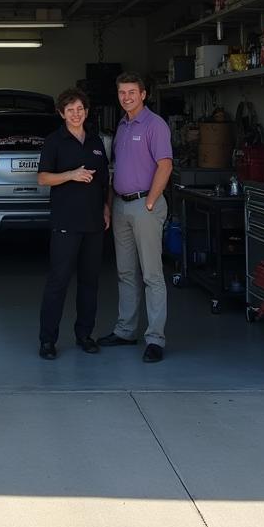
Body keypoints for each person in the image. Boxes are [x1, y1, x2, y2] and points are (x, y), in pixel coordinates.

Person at [99, 73, 173, 363]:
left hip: (145, 206)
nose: (127, 97)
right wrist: (109, 204)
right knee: (126, 272)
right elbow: (115, 169)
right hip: (121, 206)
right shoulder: (123, 125)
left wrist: (151, 201)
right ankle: (125, 330)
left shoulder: (155, 125)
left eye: (132, 92)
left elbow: (165, 166)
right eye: (122, 93)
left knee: (152, 275)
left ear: (143, 94)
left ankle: (155, 338)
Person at [36, 88, 110, 359]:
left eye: (80, 109)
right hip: (66, 221)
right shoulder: (54, 141)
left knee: (90, 283)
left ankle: (85, 335)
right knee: (58, 282)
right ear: (61, 113)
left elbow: (104, 180)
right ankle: (47, 340)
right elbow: (43, 178)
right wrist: (71, 174)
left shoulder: (96, 142)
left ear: (86, 112)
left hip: (93, 222)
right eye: (70, 110)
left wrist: (106, 208)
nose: (76, 114)